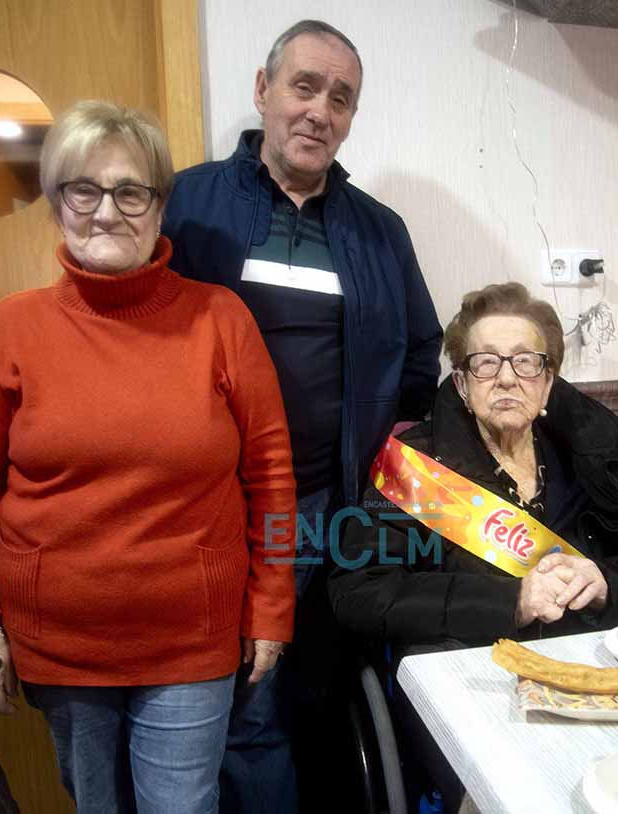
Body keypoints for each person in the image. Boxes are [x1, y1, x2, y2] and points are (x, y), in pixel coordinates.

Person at [0, 100, 296, 814]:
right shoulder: (13, 327)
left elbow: (272, 480)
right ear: (57, 203)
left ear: (159, 205)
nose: (107, 211)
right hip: (61, 642)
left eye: (130, 190)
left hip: (191, 642)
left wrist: (270, 609)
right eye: (84, 188)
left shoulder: (220, 319)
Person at [162, 19, 442, 813]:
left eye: (341, 98)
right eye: (304, 86)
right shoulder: (187, 201)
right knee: (199, 705)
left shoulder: (379, 232)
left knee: (283, 702)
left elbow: (420, 354)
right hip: (199, 513)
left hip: (319, 514)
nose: (320, 110)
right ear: (262, 90)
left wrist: (387, 458)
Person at [328, 282, 618, 810]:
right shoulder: (415, 467)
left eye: (526, 362)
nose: (506, 377)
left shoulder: (591, 455)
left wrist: (607, 585)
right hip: (482, 690)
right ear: (460, 381)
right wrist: (512, 603)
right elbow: (356, 593)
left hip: (598, 679)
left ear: (547, 384)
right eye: (485, 363)